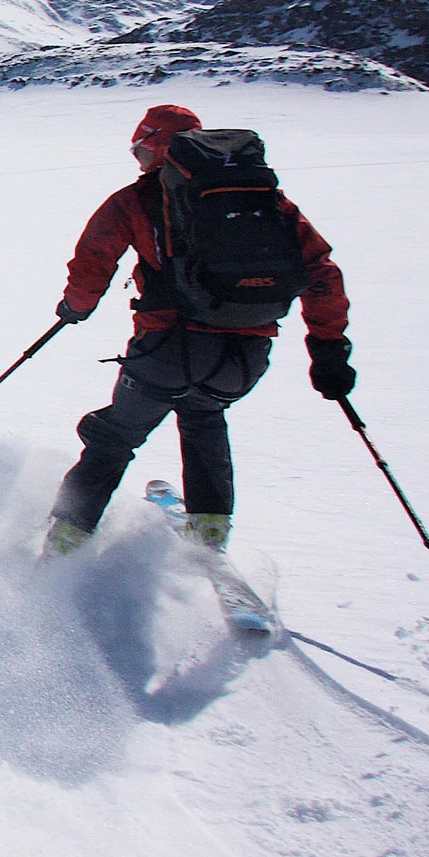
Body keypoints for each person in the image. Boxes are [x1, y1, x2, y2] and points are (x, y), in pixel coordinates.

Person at [42, 105, 355, 556]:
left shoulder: (136, 200)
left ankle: (68, 536)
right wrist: (329, 348)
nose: (137, 161)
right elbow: (321, 271)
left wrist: (76, 306)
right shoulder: (266, 201)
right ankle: (209, 529)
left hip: (166, 351)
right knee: (204, 417)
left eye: (139, 150)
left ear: (154, 148)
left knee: (114, 438)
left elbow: (94, 258)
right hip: (243, 359)